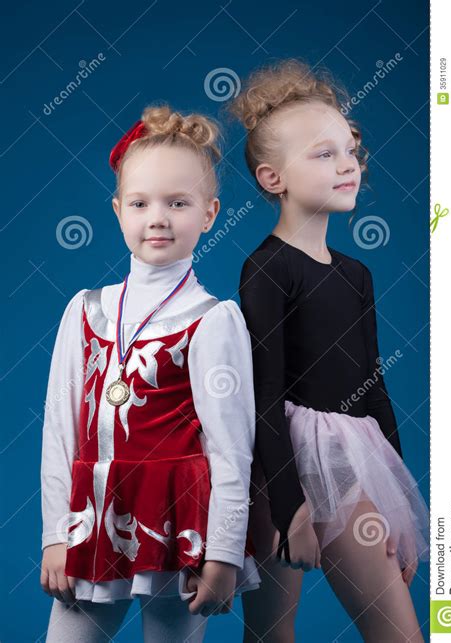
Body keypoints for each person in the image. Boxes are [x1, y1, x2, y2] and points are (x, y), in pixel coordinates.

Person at [40, 104, 260, 642]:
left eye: (177, 203)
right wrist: (54, 535)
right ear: (118, 210)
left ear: (209, 214)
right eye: (140, 203)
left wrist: (225, 554)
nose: (157, 218)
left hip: (177, 524)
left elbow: (232, 449)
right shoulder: (85, 309)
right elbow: (59, 430)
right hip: (91, 521)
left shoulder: (212, 319)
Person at [230, 59, 429, 642]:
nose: (347, 164)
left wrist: (396, 510)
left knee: (396, 633)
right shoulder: (267, 268)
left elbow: (374, 385)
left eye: (351, 149)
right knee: (270, 634)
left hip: (349, 459)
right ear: (274, 179)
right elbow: (264, 393)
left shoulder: (357, 274)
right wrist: (290, 507)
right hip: (280, 467)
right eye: (324, 154)